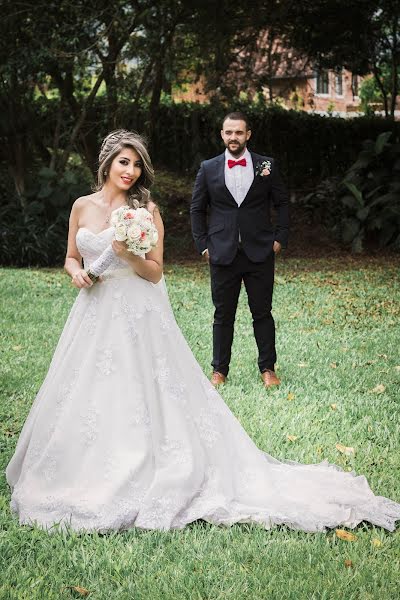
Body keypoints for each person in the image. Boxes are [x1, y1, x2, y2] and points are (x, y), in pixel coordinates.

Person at [6, 130, 400, 533]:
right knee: (87, 392)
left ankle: (145, 465)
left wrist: (129, 254)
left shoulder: (147, 210)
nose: (131, 170)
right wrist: (77, 274)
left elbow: (155, 273)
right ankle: (82, 468)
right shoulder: (81, 207)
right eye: (124, 162)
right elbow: (72, 256)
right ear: (106, 163)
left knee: (140, 390)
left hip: (136, 314)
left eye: (137, 163)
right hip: (91, 314)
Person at [190, 111, 289, 388]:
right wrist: (202, 245)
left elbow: (282, 203)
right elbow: (197, 208)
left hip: (260, 251)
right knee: (223, 315)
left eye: (238, 132)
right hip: (222, 252)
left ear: (248, 134)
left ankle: (268, 369)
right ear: (222, 135)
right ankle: (219, 370)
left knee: (262, 312)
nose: (233, 137)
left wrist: (279, 238)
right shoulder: (208, 168)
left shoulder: (266, 165)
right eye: (228, 132)